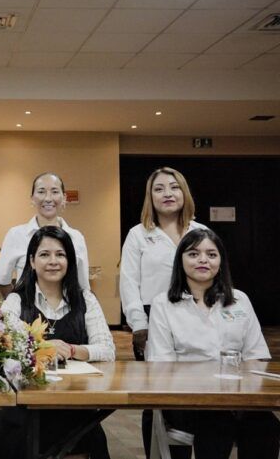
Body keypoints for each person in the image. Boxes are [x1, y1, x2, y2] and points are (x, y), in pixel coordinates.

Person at [147, 228, 279, 458]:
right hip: (187, 398)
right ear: (181, 260)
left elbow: (255, 356)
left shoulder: (239, 300)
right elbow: (161, 364)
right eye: (193, 254)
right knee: (217, 425)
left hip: (238, 397)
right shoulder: (163, 304)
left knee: (265, 427)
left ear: (221, 261)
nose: (202, 260)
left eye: (211, 254)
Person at [0, 226, 114, 459]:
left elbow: (107, 350)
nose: (53, 261)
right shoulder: (16, 300)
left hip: (74, 401)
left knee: (86, 431)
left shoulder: (85, 299)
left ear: (70, 261)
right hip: (23, 402)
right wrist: (42, 348)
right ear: (32, 262)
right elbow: (2, 344)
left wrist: (73, 349)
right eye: (44, 254)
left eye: (60, 254)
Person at [119, 166, 206, 458]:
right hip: (152, 322)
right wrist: (138, 326)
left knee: (195, 390)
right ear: (150, 197)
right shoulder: (139, 234)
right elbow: (129, 283)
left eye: (174, 187)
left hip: (196, 318)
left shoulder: (201, 232)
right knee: (158, 396)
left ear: (184, 192)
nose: (167, 193)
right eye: (159, 189)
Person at [0, 172, 91, 296]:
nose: (48, 198)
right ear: (32, 198)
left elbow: (83, 285)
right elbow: (3, 280)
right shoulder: (16, 235)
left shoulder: (76, 237)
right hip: (27, 313)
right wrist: (18, 306)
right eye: (41, 191)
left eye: (55, 192)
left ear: (64, 198)